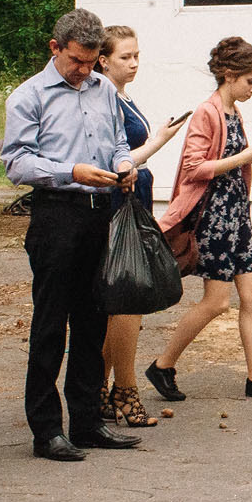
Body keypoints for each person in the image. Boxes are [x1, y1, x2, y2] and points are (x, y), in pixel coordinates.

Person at [1, 8, 146, 461]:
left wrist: (125, 165)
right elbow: (16, 163)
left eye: (91, 61)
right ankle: (46, 429)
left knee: (92, 320)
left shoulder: (104, 91)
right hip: (56, 216)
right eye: (76, 61)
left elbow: (119, 142)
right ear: (55, 48)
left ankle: (87, 421)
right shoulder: (28, 97)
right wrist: (70, 171)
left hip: (100, 214)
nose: (84, 70)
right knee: (50, 324)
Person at [148, 37, 252, 400]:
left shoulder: (232, 111)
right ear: (229, 75)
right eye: (250, 81)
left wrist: (245, 159)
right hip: (214, 218)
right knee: (216, 302)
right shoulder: (207, 111)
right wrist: (245, 157)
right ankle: (162, 366)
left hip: (236, 216)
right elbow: (194, 168)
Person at [96, 24, 188, 428]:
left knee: (120, 302)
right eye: (124, 57)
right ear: (103, 60)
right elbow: (111, 159)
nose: (133, 64)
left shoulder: (121, 96)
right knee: (126, 299)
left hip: (133, 198)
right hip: (118, 201)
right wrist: (159, 142)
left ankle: (103, 390)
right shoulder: (103, 99)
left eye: (136, 56)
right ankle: (123, 389)